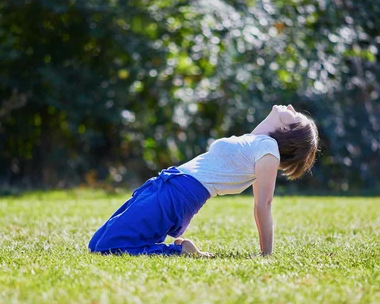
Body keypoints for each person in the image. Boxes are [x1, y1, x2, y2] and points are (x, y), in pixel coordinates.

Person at [88, 104, 319, 257]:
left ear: (289, 130)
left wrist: (266, 254)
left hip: (178, 194)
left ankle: (181, 252)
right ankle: (166, 248)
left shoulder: (268, 151)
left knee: (109, 247)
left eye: (295, 115)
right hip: (167, 183)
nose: (290, 107)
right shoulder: (255, 142)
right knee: (97, 244)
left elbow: (263, 205)